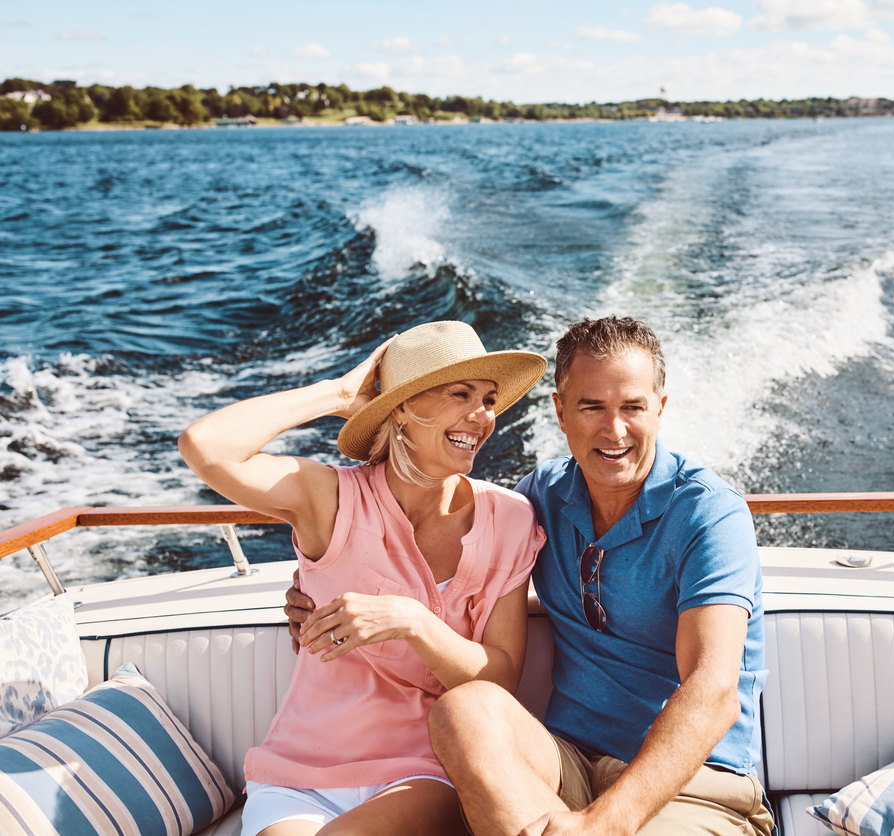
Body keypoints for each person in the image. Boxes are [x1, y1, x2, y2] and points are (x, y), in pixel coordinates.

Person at [289, 316, 773, 836]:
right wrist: (318, 593)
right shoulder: (540, 498)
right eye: (592, 407)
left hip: (694, 786)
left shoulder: (709, 514)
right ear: (560, 412)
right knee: (465, 710)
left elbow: (713, 687)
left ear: (660, 408)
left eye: (632, 407)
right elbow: (450, 564)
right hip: (566, 765)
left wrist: (602, 823)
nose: (614, 431)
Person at [180, 320, 548, 836]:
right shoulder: (329, 499)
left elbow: (498, 679)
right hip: (299, 774)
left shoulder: (510, 518)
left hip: (425, 771)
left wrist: (412, 620)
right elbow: (205, 445)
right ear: (402, 407)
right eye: (460, 394)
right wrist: (338, 393)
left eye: (488, 399)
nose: (481, 415)